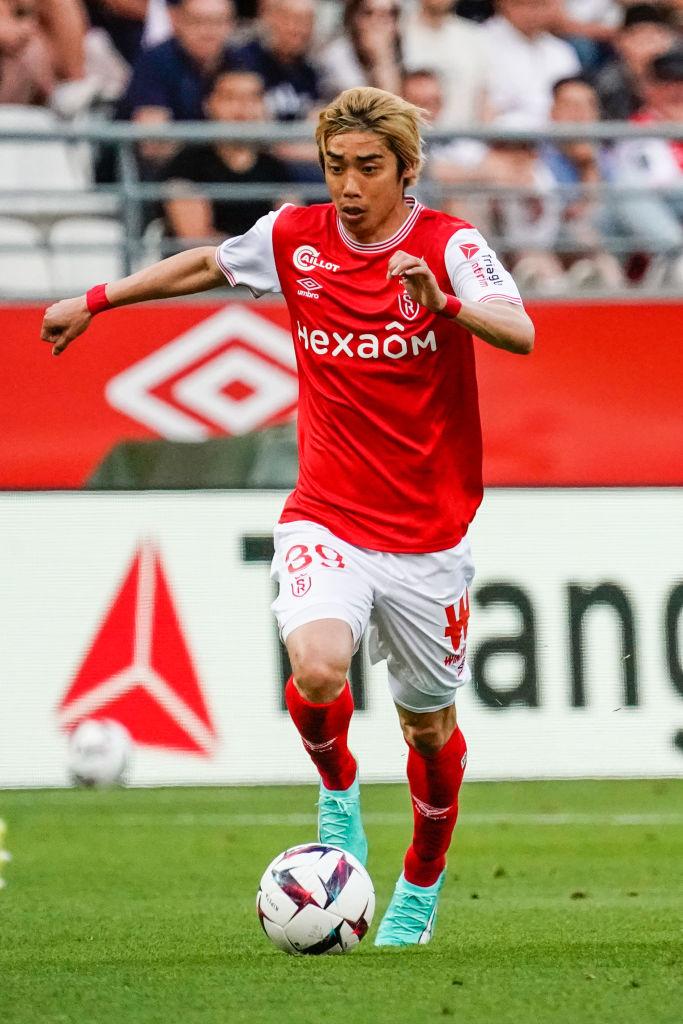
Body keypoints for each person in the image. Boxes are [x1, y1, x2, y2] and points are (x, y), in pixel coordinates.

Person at [40, 86, 534, 947]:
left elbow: (518, 329)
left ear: (406, 170)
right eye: (335, 166)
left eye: (368, 168)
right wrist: (97, 298)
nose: (348, 185)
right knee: (316, 668)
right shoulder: (294, 238)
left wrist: (444, 302)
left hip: (427, 537)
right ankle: (337, 793)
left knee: (428, 730)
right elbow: (204, 263)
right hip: (326, 514)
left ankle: (420, 883)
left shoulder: (449, 246)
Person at [161, 68, 290, 243]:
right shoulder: (186, 165)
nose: (244, 107)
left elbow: (291, 234)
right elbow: (197, 241)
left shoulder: (275, 167)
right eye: (231, 97)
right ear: (208, 104)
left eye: (254, 97)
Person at [484, 0, 582, 121]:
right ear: (503, 4)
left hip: (557, 129)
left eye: (541, 5)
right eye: (525, 4)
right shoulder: (481, 42)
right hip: (500, 128)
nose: (534, 12)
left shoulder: (561, 50)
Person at [401, 0, 491, 127]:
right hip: (409, 134)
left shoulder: (475, 37)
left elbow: (486, 102)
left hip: (465, 136)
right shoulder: (397, 31)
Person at [232, 0, 321, 121]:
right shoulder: (244, 60)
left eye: (307, 22)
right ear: (270, 19)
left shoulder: (310, 72)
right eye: (290, 19)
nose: (299, 29)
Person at [592, 3, 677, 120]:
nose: (648, 46)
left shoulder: (677, 78)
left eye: (652, 37)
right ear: (621, 41)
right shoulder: (609, 83)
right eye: (640, 37)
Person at [318, 0, 404, 100]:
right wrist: (381, 59)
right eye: (368, 13)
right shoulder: (335, 56)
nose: (376, 22)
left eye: (387, 15)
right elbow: (380, 105)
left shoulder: (403, 49)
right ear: (353, 18)